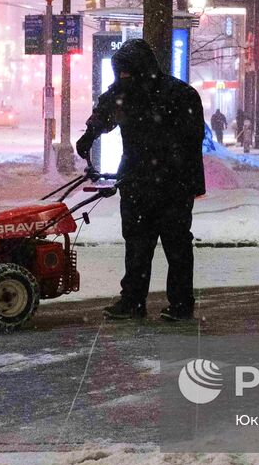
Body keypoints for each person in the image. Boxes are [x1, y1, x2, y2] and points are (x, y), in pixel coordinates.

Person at [76, 39, 205, 322]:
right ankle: (133, 301)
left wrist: (166, 163)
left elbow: (192, 141)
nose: (122, 78)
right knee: (137, 245)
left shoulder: (180, 95)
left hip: (172, 186)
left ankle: (180, 304)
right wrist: (90, 133)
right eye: (119, 73)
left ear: (142, 69)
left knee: (176, 246)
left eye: (126, 72)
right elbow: (104, 111)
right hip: (138, 183)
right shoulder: (125, 93)